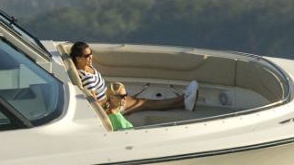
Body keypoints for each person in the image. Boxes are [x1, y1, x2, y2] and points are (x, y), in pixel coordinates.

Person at [70, 41, 198, 115]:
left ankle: (182, 101)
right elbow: (95, 104)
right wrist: (114, 101)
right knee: (145, 103)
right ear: (78, 59)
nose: (91, 57)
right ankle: (183, 101)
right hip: (111, 104)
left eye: (91, 53)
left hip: (112, 99)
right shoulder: (86, 78)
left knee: (143, 102)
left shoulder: (88, 67)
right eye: (87, 56)